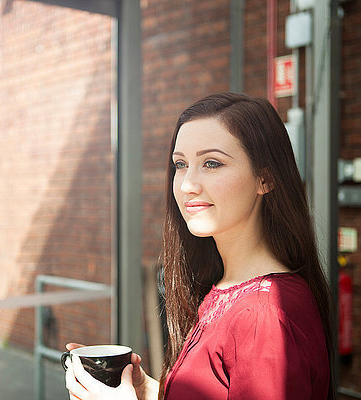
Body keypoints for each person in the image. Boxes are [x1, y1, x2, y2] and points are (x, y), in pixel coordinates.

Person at [65, 92, 333, 400]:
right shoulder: (225, 289)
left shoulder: (264, 316)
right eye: (180, 164)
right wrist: (150, 392)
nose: (187, 184)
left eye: (212, 163)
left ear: (265, 178)